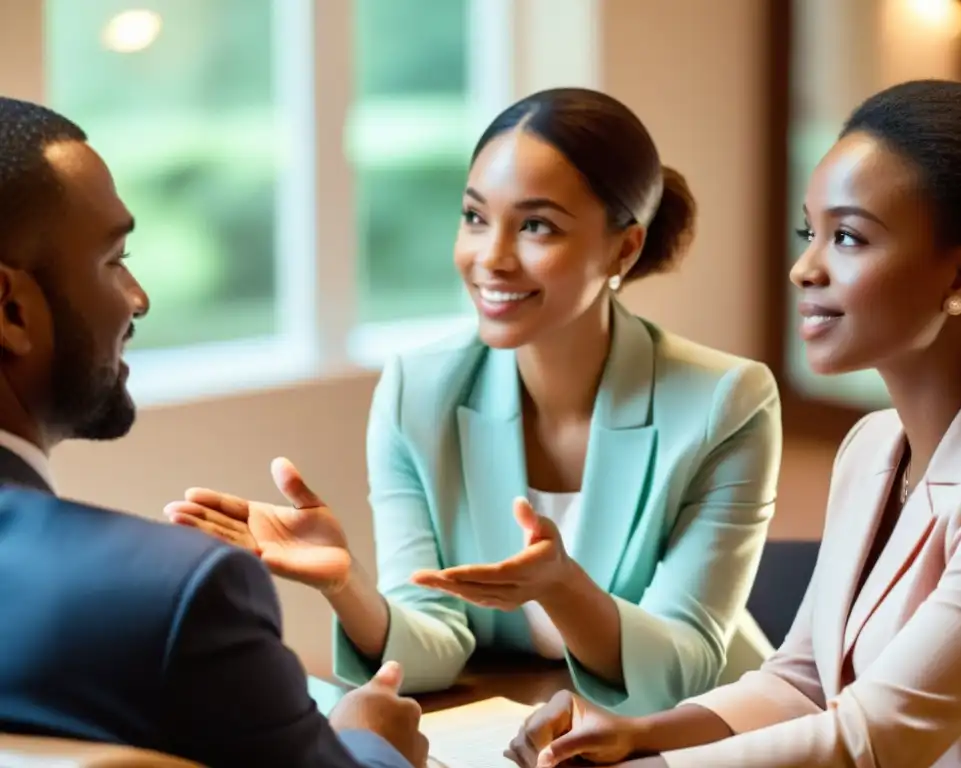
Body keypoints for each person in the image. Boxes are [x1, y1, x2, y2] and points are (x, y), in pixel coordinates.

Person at [166, 87, 782, 717]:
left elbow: (686, 665)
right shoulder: (419, 393)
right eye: (475, 217)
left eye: (537, 225)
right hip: (516, 722)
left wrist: (563, 588)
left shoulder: (725, 403)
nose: (490, 258)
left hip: (702, 734)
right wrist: (343, 579)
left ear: (624, 248)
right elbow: (434, 640)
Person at [505, 78, 961, 768]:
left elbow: (876, 737)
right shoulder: (871, 448)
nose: (803, 269)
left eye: (847, 237)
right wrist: (640, 732)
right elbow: (803, 682)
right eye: (810, 233)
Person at [0, 96, 426, 768]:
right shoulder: (171, 598)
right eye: (114, 260)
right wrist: (372, 741)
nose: (137, 297)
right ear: (11, 310)